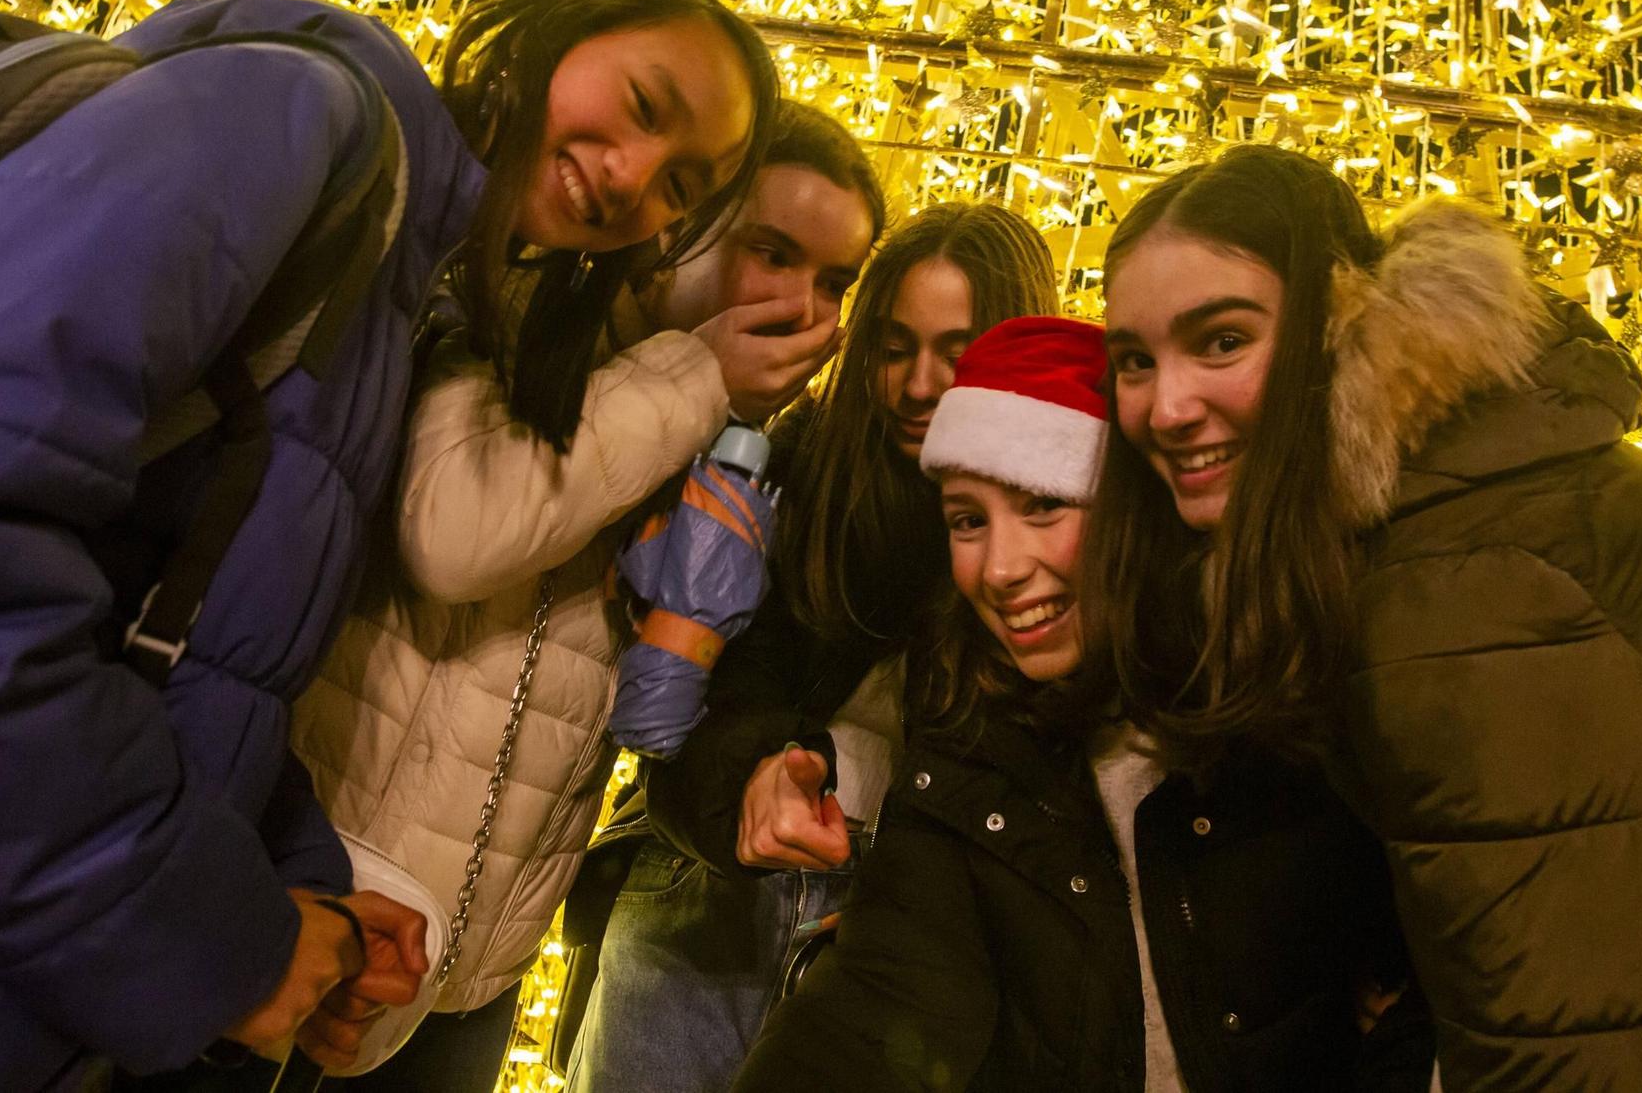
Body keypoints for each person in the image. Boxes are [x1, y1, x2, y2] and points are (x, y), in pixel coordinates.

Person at [0, 0, 777, 1092]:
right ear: (546, 38)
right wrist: (218, 941)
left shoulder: (397, 290)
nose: (632, 179)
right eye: (645, 106)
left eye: (680, 186)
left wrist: (296, 875)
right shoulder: (296, 124)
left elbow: (177, 638)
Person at [1086, 144, 1642, 1090]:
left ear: (1334, 324)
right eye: (1135, 361)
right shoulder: (1441, 493)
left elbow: (1572, 1047)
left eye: (1222, 341)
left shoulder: (1458, 584)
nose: (1167, 405)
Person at [288, 101, 883, 1089]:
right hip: (315, 914)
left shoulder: (722, 460)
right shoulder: (510, 322)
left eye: (833, 284)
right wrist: (697, 373)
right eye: (768, 253)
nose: (801, 310)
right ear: (678, 227)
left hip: (469, 981)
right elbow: (456, 539)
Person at [734, 315, 1433, 1092]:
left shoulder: (1290, 706)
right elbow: (877, 996)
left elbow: (1446, 973)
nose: (1000, 568)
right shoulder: (970, 745)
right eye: (968, 519)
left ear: (1128, 514)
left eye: (1043, 505)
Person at [564, 204, 1060, 1093]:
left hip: (910, 937)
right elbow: (704, 690)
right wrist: (759, 770)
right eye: (895, 345)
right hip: (710, 891)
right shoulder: (799, 460)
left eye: (957, 348)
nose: (918, 382)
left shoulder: (1066, 517)